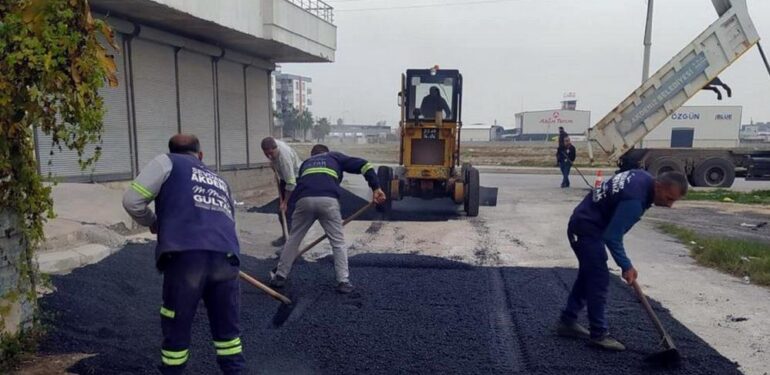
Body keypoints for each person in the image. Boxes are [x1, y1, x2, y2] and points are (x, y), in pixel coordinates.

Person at [122, 134, 245, 374]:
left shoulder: (166, 162)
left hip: (186, 259)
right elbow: (231, 221)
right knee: (228, 335)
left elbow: (132, 200)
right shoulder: (220, 180)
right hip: (226, 257)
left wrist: (153, 222)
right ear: (200, 155)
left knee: (177, 324)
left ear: (172, 150)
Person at [555, 170, 687, 351]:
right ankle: (599, 334)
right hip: (586, 228)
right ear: (658, 186)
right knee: (598, 279)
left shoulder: (642, 177)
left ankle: (568, 321)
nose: (670, 204)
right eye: (669, 198)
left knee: (589, 275)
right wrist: (626, 266)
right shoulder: (635, 200)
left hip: (586, 222)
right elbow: (613, 237)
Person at [269, 144, 387, 294]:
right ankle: (343, 282)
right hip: (328, 200)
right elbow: (365, 165)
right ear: (327, 152)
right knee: (337, 243)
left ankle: (280, 276)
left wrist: (287, 205)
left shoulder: (306, 163)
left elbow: (295, 184)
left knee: (293, 239)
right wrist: (376, 187)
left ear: (313, 156)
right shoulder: (334, 157)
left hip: (304, 200)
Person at [261, 137, 302, 247]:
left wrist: (285, 202)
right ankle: (286, 237)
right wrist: (272, 161)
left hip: (296, 179)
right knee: (281, 212)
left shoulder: (284, 161)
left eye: (271, 154)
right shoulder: (273, 143)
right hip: (286, 179)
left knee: (287, 212)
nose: (269, 156)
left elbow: (291, 183)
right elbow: (271, 153)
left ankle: (291, 245)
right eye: (266, 154)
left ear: (276, 148)